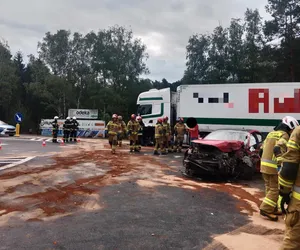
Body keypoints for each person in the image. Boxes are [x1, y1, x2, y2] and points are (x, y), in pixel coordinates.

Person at [259, 116, 299, 221]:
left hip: (264, 166)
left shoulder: (271, 134)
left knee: (269, 188)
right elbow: (278, 147)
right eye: (292, 130)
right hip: (273, 167)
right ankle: (265, 209)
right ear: (289, 127)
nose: (291, 132)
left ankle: (272, 208)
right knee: (275, 189)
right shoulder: (284, 135)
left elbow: (261, 150)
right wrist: (281, 162)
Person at [278, 123, 300, 249]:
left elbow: (289, 167)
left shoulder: (298, 132)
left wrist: (284, 193)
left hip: (298, 205)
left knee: (292, 243)